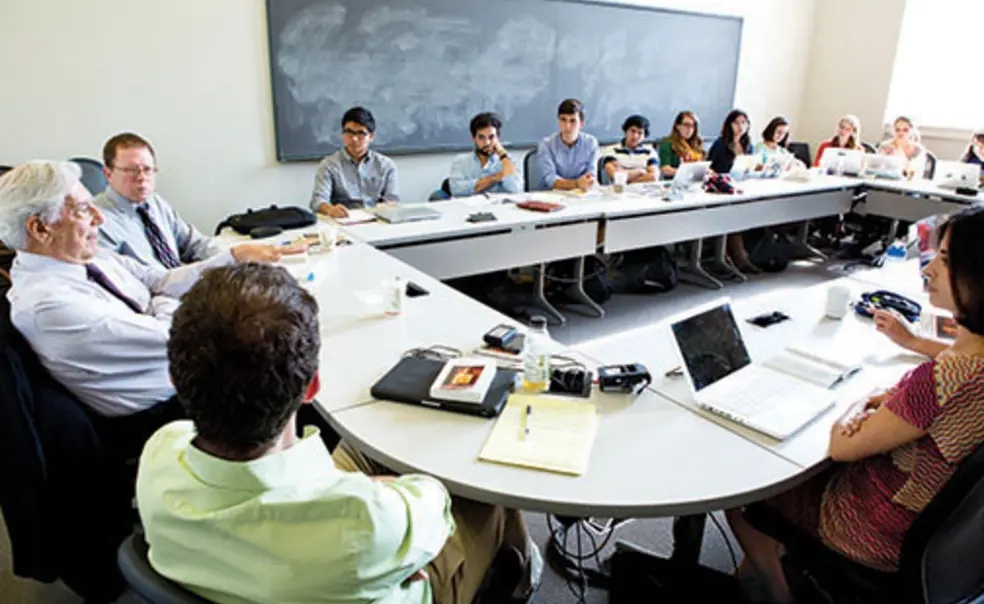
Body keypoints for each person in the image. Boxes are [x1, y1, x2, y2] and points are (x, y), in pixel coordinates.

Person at [137, 263, 543, 604]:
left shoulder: (158, 453)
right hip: (384, 566)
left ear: (175, 379)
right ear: (313, 387)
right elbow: (434, 498)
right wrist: (373, 488)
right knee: (475, 478)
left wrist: (358, 488)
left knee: (369, 442)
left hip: (292, 566)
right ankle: (519, 574)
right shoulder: (364, 522)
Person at [726, 205, 984, 604]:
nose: (928, 269)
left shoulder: (939, 381)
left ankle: (776, 594)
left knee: (745, 489)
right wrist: (915, 344)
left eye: (946, 261)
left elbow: (842, 446)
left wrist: (860, 401)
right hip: (939, 539)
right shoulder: (971, 364)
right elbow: (954, 362)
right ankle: (762, 566)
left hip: (873, 531)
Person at [0, 161, 295, 457]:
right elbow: (176, 335)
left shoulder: (84, 257)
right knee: (282, 364)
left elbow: (159, 280)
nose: (99, 219)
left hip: (184, 380)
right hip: (163, 416)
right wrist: (160, 301)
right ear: (40, 228)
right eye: (82, 210)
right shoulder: (48, 304)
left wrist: (230, 257)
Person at [95, 132, 219, 270]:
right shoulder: (97, 221)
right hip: (149, 290)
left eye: (147, 169)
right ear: (108, 174)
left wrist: (231, 257)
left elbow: (193, 243)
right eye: (132, 170)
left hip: (180, 282)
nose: (142, 177)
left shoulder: (154, 202)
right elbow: (116, 280)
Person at [311, 107, 400, 218]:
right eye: (349, 132)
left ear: (371, 136)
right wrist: (330, 209)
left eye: (360, 133)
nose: (354, 139)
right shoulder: (329, 165)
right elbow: (317, 201)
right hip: (343, 222)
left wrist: (386, 208)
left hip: (377, 221)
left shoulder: (386, 166)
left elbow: (392, 201)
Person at [707, 110, 759, 273]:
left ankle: (741, 255)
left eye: (744, 122)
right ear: (729, 124)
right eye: (737, 122)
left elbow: (747, 168)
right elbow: (711, 169)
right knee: (732, 214)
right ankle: (737, 258)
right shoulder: (721, 144)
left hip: (742, 187)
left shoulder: (747, 145)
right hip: (721, 188)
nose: (740, 126)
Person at [448, 112, 522, 196]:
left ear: (497, 137)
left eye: (491, 137)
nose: (487, 142)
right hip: (469, 208)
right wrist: (495, 177)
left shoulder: (510, 161)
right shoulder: (460, 161)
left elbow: (515, 190)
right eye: (481, 137)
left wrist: (503, 155)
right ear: (474, 138)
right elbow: (457, 190)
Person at [536, 98, 599, 191]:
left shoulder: (591, 143)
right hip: (551, 197)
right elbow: (551, 181)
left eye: (573, 121)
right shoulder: (546, 145)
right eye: (563, 120)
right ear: (558, 120)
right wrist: (577, 183)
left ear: (581, 123)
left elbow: (591, 176)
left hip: (581, 196)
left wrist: (587, 182)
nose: (567, 126)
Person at [601, 115, 659, 184]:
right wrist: (640, 171)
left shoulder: (650, 152)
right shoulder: (611, 150)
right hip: (618, 191)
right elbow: (615, 176)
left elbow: (653, 177)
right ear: (625, 131)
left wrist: (626, 179)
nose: (635, 136)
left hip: (644, 192)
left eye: (640, 133)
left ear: (644, 136)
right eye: (632, 131)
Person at [658, 111, 705, 179]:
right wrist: (686, 173)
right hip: (675, 182)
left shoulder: (697, 143)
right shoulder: (667, 143)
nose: (690, 129)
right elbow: (665, 169)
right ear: (677, 126)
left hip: (696, 182)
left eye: (693, 126)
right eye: (686, 125)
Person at [707, 109, 752, 175]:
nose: (740, 126)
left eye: (743, 122)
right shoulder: (720, 143)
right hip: (721, 180)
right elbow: (709, 166)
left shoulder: (749, 145)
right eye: (736, 123)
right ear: (730, 125)